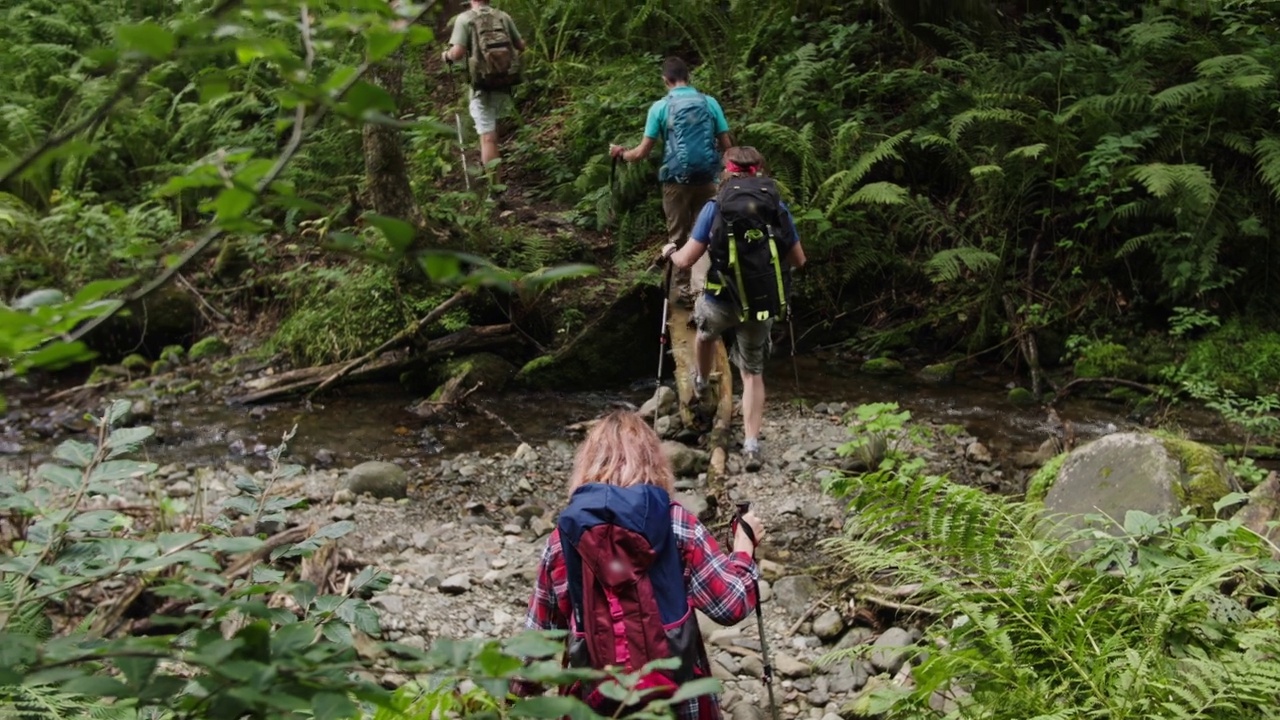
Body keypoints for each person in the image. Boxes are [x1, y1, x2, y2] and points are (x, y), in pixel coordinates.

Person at [514, 411, 766, 719]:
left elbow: (535, 646)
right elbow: (730, 604)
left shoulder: (564, 538)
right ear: (654, 461)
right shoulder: (676, 523)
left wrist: (508, 697)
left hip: (593, 706)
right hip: (676, 704)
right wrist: (744, 546)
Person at [659, 147, 806, 472]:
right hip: (760, 305)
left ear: (725, 172)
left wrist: (669, 250)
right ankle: (752, 444)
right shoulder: (776, 207)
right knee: (752, 373)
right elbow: (800, 260)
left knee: (706, 333)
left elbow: (686, 260)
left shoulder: (715, 207)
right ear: (760, 170)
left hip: (720, 300)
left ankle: (700, 381)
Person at [610, 57, 733, 305]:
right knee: (706, 233)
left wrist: (621, 154)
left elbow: (641, 153)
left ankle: (680, 291)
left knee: (677, 236)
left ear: (665, 80)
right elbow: (728, 146)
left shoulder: (660, 107)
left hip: (675, 182)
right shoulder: (710, 103)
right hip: (709, 179)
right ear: (688, 77)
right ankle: (704, 292)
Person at [441, 0, 526, 183]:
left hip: (482, 84)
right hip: (505, 80)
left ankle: (494, 187)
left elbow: (457, 53)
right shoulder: (503, 16)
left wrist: (446, 55)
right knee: (495, 129)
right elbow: (521, 45)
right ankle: (499, 169)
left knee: (487, 137)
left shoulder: (465, 19)